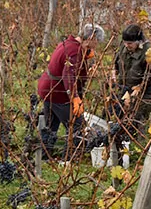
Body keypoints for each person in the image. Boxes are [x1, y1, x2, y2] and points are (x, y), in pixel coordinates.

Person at [36, 23, 106, 155]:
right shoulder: (75, 51)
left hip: (47, 89)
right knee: (76, 126)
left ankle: (44, 156)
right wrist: (75, 98)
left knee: (50, 126)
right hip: (58, 92)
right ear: (91, 38)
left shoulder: (68, 44)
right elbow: (68, 76)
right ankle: (69, 158)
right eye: (97, 41)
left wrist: (85, 60)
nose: (97, 45)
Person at [110, 23, 151, 141]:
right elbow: (117, 60)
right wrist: (114, 71)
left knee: (137, 118)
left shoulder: (150, 52)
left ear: (139, 41)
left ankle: (139, 143)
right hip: (125, 87)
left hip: (146, 92)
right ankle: (121, 141)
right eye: (125, 42)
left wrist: (138, 89)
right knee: (120, 114)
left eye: (130, 43)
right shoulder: (124, 46)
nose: (127, 45)